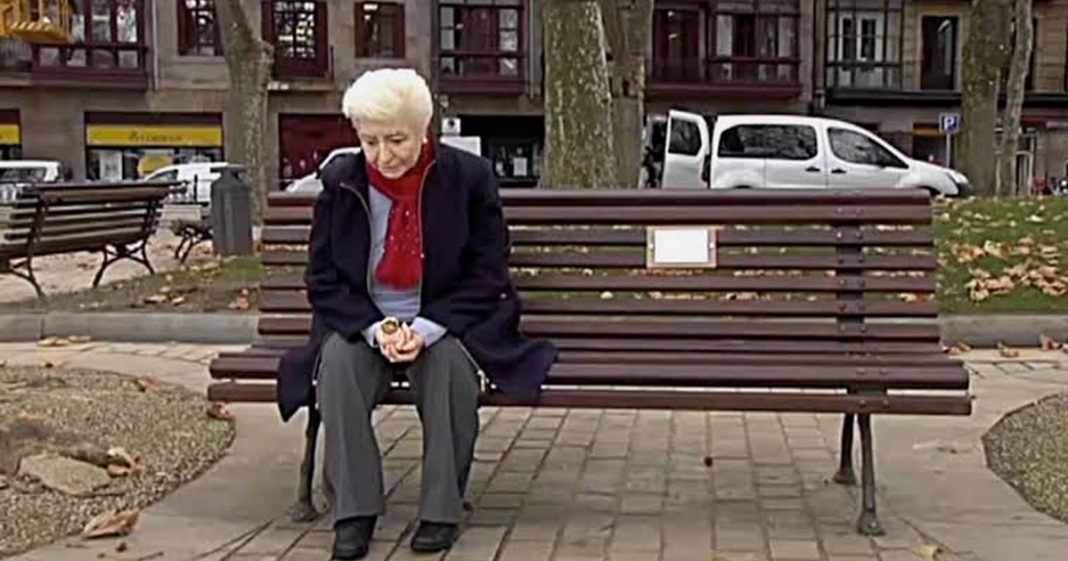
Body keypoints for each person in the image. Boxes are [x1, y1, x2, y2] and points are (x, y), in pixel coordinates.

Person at [275, 68, 557, 560]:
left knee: (449, 369)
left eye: (396, 140)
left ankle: (441, 510)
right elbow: (323, 279)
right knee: (337, 366)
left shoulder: (467, 179)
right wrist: (375, 326)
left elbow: (488, 274)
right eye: (369, 141)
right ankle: (355, 511)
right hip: (365, 322)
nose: (383, 156)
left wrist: (424, 330)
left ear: (424, 128)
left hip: (445, 320)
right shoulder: (341, 182)